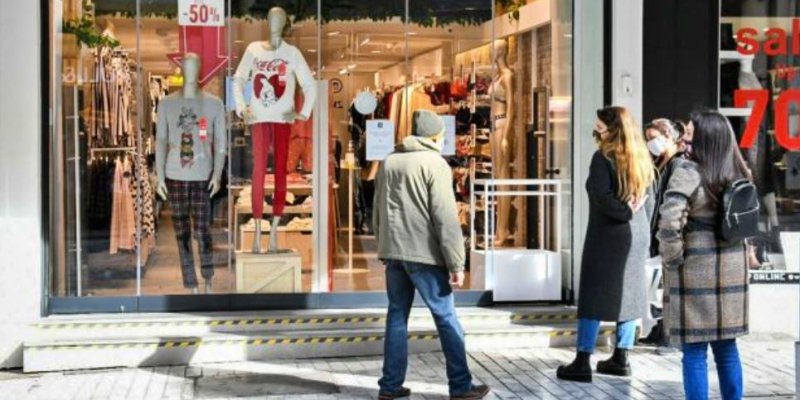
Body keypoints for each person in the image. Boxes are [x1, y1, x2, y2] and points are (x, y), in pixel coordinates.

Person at [373, 109, 490, 400]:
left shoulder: (390, 161)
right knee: (446, 317)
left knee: (397, 316)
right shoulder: (435, 164)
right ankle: (461, 386)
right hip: (424, 254)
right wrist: (456, 262)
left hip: (394, 252)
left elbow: (377, 209)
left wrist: (383, 245)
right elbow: (445, 217)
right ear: (435, 135)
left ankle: (390, 386)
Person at [557, 106, 655, 383]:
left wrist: (624, 211)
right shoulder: (642, 158)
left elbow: (600, 195)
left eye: (600, 127)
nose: (596, 131)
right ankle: (621, 358)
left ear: (613, 130)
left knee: (593, 295)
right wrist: (639, 223)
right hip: (637, 234)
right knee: (629, 294)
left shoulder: (602, 158)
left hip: (608, 235)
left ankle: (582, 361)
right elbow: (651, 200)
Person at [657, 110, 750, 400]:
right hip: (732, 267)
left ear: (706, 138)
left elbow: (669, 221)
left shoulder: (689, 172)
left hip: (695, 267)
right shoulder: (739, 171)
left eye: (689, 132)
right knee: (727, 348)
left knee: (694, 351)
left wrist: (672, 258)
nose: (684, 138)